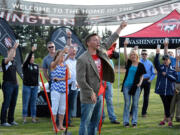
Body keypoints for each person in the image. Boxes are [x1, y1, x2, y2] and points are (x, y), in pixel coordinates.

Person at [77, 21, 127, 135]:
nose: (98, 41)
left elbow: (111, 39)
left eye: (98, 39)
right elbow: (80, 79)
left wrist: (120, 27)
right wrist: (90, 92)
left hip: (100, 93)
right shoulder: (82, 59)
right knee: (85, 122)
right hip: (89, 96)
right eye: (95, 40)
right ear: (88, 43)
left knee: (95, 123)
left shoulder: (101, 51)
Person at [122, 41, 146, 128]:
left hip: (136, 87)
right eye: (131, 55)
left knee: (135, 104)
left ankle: (134, 122)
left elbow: (142, 76)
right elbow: (125, 55)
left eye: (134, 55)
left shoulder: (141, 65)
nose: (132, 56)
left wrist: (140, 83)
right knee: (127, 104)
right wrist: (125, 46)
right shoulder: (128, 63)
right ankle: (126, 122)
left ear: (137, 56)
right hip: (126, 86)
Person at [154, 46, 177, 127]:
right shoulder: (161, 68)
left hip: (170, 90)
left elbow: (175, 78)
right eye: (163, 59)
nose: (165, 61)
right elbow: (156, 62)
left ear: (169, 60)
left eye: (166, 59)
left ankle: (165, 120)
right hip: (162, 90)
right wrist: (157, 54)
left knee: (168, 106)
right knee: (166, 105)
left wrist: (167, 75)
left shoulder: (173, 69)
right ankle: (169, 121)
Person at [50, 49, 71, 131]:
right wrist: (62, 51)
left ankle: (61, 125)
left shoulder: (65, 65)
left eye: (63, 55)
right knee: (55, 107)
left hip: (64, 89)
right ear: (57, 56)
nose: (62, 56)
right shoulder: (53, 64)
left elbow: (68, 77)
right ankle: (54, 126)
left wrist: (59, 79)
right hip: (55, 89)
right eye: (60, 55)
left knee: (62, 108)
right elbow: (54, 64)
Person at [1, 42, 19, 126]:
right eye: (12, 52)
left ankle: (11, 120)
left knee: (13, 103)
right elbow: (8, 59)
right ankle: (3, 121)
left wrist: (17, 83)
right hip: (7, 84)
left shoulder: (14, 62)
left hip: (15, 85)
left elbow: (15, 73)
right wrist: (14, 48)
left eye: (14, 52)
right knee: (7, 103)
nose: (14, 53)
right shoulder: (5, 60)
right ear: (8, 53)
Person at [102, 43, 120, 124]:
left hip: (109, 84)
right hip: (101, 83)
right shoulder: (101, 60)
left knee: (109, 101)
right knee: (100, 102)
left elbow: (112, 73)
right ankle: (101, 118)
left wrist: (111, 82)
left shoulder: (111, 61)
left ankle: (112, 118)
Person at [22, 45, 39, 123]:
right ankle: (24, 118)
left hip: (35, 87)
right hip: (27, 86)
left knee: (33, 103)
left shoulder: (36, 66)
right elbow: (27, 60)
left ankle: (33, 118)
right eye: (31, 57)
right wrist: (31, 51)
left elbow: (37, 76)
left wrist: (38, 85)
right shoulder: (25, 66)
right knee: (25, 102)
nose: (32, 58)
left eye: (33, 57)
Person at [164, 42, 180, 122]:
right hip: (174, 83)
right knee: (172, 101)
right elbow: (166, 54)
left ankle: (178, 117)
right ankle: (170, 117)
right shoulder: (173, 60)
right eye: (178, 51)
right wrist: (166, 46)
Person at [64, 45, 79, 126]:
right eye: (72, 50)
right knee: (64, 104)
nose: (73, 52)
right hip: (66, 86)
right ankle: (62, 121)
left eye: (74, 51)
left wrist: (78, 82)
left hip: (74, 86)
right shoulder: (65, 61)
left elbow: (77, 74)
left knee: (71, 105)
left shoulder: (77, 62)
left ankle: (67, 121)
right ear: (68, 52)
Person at [139, 49, 155, 117]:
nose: (144, 55)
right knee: (136, 97)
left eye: (145, 54)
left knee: (146, 98)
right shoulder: (138, 62)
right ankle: (132, 112)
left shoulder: (150, 63)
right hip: (139, 81)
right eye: (143, 54)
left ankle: (144, 113)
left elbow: (153, 73)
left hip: (147, 81)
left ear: (147, 55)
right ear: (141, 55)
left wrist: (150, 80)